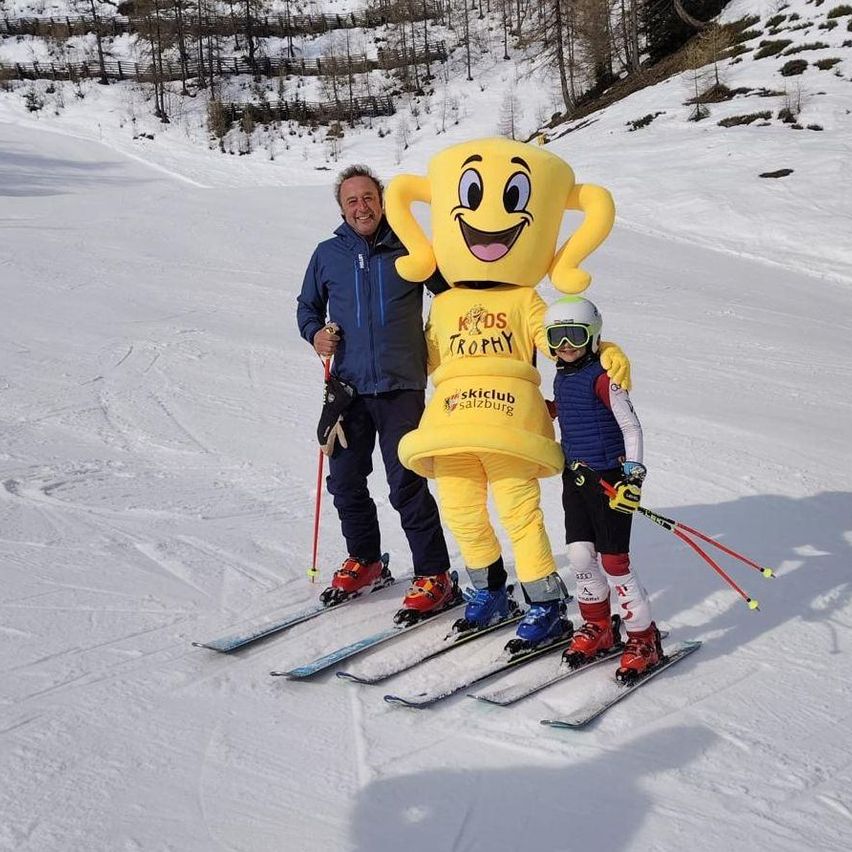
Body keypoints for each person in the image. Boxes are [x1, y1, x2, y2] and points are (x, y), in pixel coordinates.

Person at [385, 138, 630, 650]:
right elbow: (426, 358)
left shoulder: (527, 299)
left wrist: (603, 350)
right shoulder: (446, 303)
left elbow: (562, 342)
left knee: (519, 510)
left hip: (512, 423)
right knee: (460, 508)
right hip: (450, 422)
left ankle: (544, 600)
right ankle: (489, 590)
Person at [296, 164, 455, 622]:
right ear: (342, 209)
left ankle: (434, 574)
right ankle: (365, 560)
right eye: (352, 200)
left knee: (405, 482)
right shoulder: (327, 255)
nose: (361, 206)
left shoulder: (411, 246)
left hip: (401, 385)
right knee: (344, 481)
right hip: (347, 389)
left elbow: (448, 296)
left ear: (382, 201)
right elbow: (308, 307)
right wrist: (315, 334)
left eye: (368, 197)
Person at [544, 295, 663, 679]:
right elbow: (569, 411)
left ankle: (644, 638)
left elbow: (631, 426)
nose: (565, 345)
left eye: (574, 336)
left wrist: (634, 476)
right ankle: (599, 627)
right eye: (557, 336)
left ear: (592, 337)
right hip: (575, 478)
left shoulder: (604, 378)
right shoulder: (562, 376)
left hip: (611, 479)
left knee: (614, 562)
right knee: (579, 556)